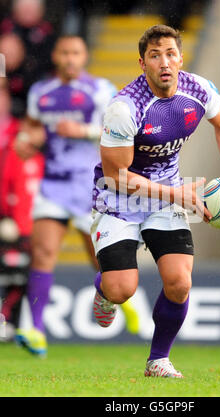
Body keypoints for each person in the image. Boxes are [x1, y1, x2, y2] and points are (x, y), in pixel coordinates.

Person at [91, 24, 220, 378]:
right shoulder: (124, 106)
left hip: (168, 192)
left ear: (180, 58)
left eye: (170, 54)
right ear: (142, 63)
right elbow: (115, 175)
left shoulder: (198, 89)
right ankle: (103, 291)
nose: (164, 62)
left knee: (179, 282)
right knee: (121, 289)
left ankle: (158, 359)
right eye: (154, 55)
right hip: (119, 197)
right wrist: (180, 194)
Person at [14, 35, 139, 356]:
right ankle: (36, 330)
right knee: (42, 254)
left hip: (91, 186)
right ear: (55, 56)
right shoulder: (41, 92)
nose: (70, 58)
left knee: (98, 258)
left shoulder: (100, 90)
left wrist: (82, 131)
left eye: (76, 53)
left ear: (83, 57)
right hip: (53, 183)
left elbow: (121, 132)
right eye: (64, 52)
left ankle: (121, 297)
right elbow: (32, 128)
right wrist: (25, 142)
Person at [0, 80, 44, 339]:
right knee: (10, 273)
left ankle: (14, 323)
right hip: (13, 224)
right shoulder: (11, 153)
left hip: (32, 227)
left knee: (25, 276)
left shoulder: (41, 158)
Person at [0, 0, 56, 117]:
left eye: (31, 9)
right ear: (15, 10)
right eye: (24, 8)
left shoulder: (48, 32)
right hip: (8, 85)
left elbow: (50, 63)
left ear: (40, 11)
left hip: (36, 85)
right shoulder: (5, 26)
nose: (28, 12)